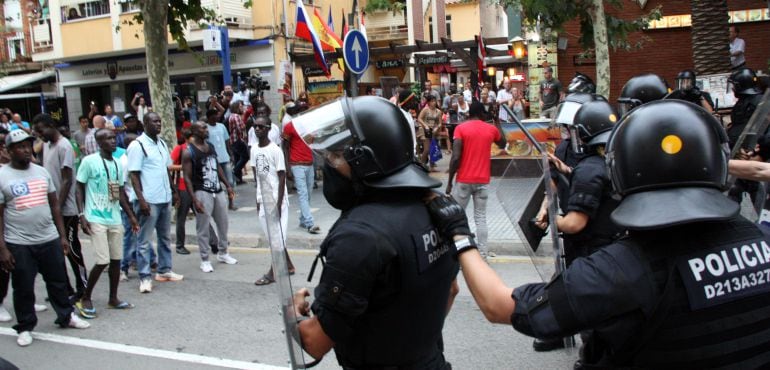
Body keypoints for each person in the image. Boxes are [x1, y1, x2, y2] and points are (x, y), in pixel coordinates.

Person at [428, 99, 770, 368]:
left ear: (621, 172)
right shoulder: (761, 242)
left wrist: (460, 235)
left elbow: (499, 306)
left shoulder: (618, 272)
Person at [290, 96, 459, 368]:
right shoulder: (434, 205)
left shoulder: (359, 237)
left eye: (335, 156)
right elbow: (451, 289)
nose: (329, 163)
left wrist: (291, 312)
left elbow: (315, 342)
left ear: (365, 161)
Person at [0, 130, 91, 347]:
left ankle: (66, 316)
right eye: (20, 146)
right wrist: (2, 248)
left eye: (28, 145)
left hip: (48, 237)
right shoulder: (3, 176)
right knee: (23, 286)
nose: (25, 149)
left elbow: (55, 205)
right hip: (19, 241)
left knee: (58, 281)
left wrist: (62, 237)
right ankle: (25, 326)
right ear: (9, 150)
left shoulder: (41, 172)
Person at [74, 128, 139, 318]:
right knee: (102, 260)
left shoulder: (118, 163)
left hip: (114, 217)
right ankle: (86, 297)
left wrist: (131, 216)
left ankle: (113, 298)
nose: (112, 141)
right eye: (108, 138)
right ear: (99, 143)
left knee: (116, 260)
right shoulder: (89, 161)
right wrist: (81, 215)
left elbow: (117, 192)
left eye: (113, 137)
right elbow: (79, 187)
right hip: (95, 217)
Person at [32, 114, 87, 302]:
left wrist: (57, 206)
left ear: (50, 126)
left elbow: (66, 179)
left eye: (41, 131)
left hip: (66, 209)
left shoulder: (64, 146)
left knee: (72, 250)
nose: (39, 135)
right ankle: (65, 288)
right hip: (52, 208)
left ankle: (83, 288)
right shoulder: (47, 146)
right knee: (56, 252)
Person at [127, 112, 183, 293]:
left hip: (164, 197)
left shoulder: (161, 143)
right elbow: (134, 174)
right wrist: (141, 200)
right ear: (145, 124)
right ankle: (144, 277)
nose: (158, 124)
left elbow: (166, 169)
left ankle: (164, 270)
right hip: (149, 200)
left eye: (160, 121)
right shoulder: (138, 145)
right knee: (144, 240)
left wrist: (174, 191)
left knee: (165, 237)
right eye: (154, 121)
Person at [446, 101, 506, 260]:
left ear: (469, 113)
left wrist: (449, 181)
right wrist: (497, 121)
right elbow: (503, 143)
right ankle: (483, 255)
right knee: (480, 218)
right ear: (481, 114)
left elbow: (456, 157)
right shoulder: (491, 129)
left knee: (457, 218)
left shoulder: (460, 128)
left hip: (464, 180)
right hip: (483, 181)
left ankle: (458, 254)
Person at [181, 121, 237, 273]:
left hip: (217, 190)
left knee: (223, 224)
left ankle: (223, 252)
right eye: (203, 128)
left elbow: (217, 165)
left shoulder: (210, 146)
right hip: (202, 191)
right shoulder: (189, 151)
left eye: (206, 126)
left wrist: (227, 184)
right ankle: (205, 259)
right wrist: (194, 199)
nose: (206, 130)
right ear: (194, 131)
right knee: (203, 228)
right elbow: (187, 177)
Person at [250, 116, 295, 285]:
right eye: (255, 126)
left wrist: (278, 204)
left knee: (277, 238)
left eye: (261, 127)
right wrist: (257, 201)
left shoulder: (275, 150)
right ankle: (288, 265)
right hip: (263, 199)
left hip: (277, 200)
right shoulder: (254, 149)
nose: (257, 129)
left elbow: (282, 177)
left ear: (268, 128)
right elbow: (257, 178)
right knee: (273, 238)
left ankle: (273, 273)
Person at [282, 104, 320, 234]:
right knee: (303, 194)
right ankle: (309, 223)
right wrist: (287, 167)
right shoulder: (289, 126)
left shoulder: (310, 125)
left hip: (309, 162)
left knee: (308, 193)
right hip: (296, 164)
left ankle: (303, 220)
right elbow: (285, 146)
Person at [727, 67, 764, 148]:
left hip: (754, 147)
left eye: (734, 85)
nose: (733, 89)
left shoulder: (758, 101)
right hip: (739, 145)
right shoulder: (743, 101)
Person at [417, 95, 442, 170]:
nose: (433, 103)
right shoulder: (425, 110)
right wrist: (425, 125)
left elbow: (440, 122)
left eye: (434, 101)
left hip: (433, 130)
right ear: (428, 102)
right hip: (425, 130)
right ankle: (422, 164)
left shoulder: (438, 111)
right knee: (427, 149)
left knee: (433, 148)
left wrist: (437, 127)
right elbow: (419, 118)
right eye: (431, 101)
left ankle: (431, 165)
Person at [228, 101, 248, 185]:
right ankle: (235, 171)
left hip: (233, 140)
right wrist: (244, 126)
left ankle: (238, 179)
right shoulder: (236, 116)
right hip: (237, 139)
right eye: (240, 106)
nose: (242, 108)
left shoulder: (231, 116)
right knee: (245, 156)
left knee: (237, 159)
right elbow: (240, 128)